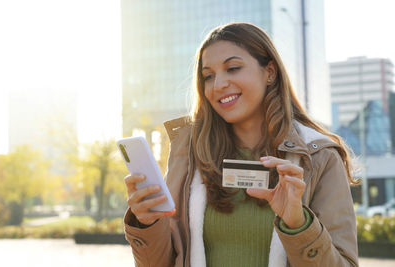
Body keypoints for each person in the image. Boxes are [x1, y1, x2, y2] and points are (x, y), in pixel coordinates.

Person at [123, 22, 359, 267]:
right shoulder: (189, 153)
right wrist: (147, 224)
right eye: (208, 76)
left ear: (270, 72)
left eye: (233, 68)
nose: (218, 85)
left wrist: (298, 224)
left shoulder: (319, 157)